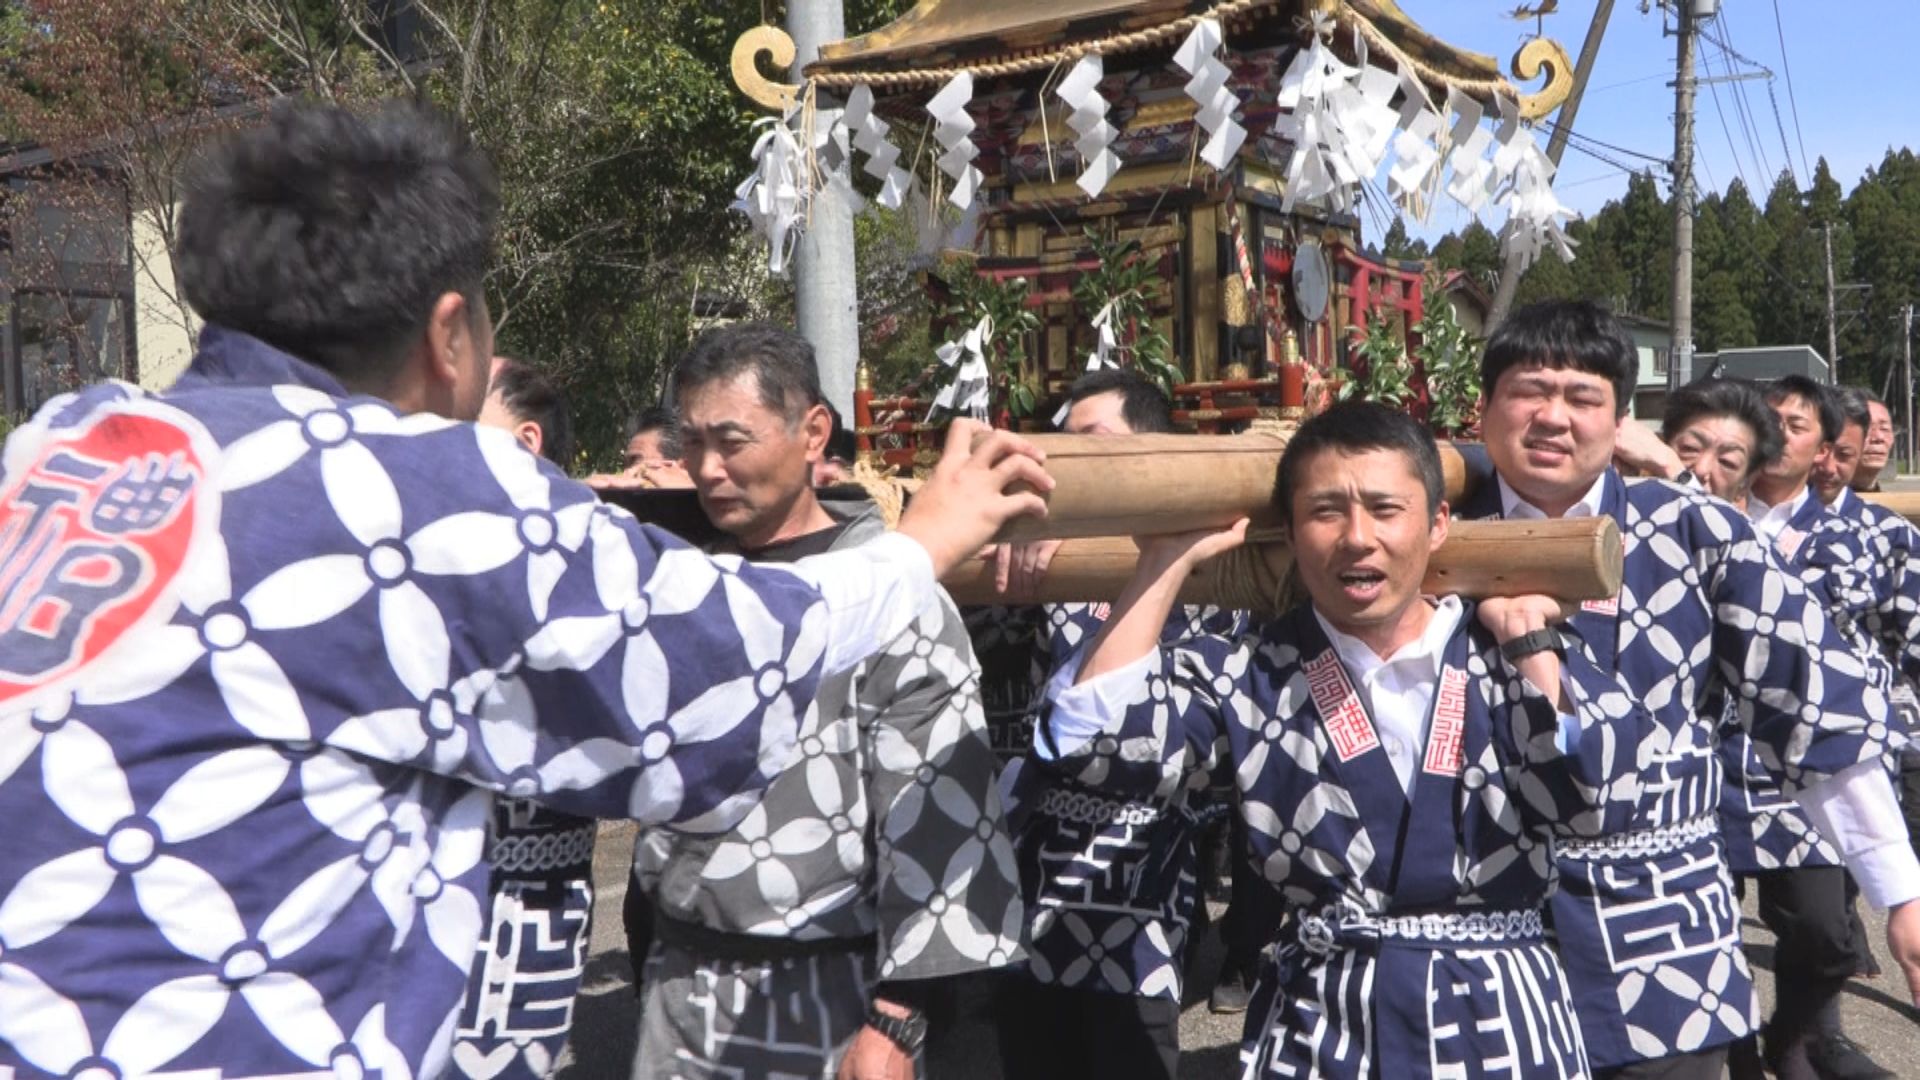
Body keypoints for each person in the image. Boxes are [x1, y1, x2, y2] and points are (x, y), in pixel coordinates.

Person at [0, 100, 1053, 1079]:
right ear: (449, 333)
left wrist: (900, 1010)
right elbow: (722, 664)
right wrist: (922, 544)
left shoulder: (69, 445)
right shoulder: (413, 487)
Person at [1041, 400, 1655, 1076]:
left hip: (1498, 1019)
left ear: (1438, 523)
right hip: (1326, 1022)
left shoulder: (1508, 647)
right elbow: (1092, 743)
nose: (1358, 538)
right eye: (1326, 511)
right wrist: (1162, 563)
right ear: (1290, 531)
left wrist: (1530, 646)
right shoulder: (1250, 672)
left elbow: (1599, 805)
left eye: (1386, 509)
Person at [1458, 300, 1920, 1080]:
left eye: (1582, 397)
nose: (1553, 417)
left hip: (1663, 932)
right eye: (1528, 391)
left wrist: (1900, 891)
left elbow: (1810, 703)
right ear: (1484, 408)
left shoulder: (1693, 528)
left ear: (1620, 420)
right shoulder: (1424, 532)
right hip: (1480, 934)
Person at [627, 322, 1023, 1080]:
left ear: (812, 432)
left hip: (828, 995)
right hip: (678, 987)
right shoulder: (684, 580)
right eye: (692, 442)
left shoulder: (895, 596)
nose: (706, 468)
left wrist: (897, 1019)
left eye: (732, 441)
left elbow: (938, 814)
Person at [987, 368, 1250, 1080]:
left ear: (1154, 452)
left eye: (1095, 443)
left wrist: (1158, 566)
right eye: (1064, 447)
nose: (1073, 464)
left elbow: (1166, 747)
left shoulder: (1215, 572)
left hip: (1139, 888)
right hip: (1026, 887)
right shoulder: (1043, 552)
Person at [1678, 379, 1893, 1080]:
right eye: (1766, 419)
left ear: (1826, 449)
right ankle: (1736, 1053)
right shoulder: (1684, 516)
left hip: (1802, 771)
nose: (1775, 432)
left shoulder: (1866, 534)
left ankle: (1798, 1034)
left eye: (1795, 424)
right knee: (1707, 934)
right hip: (1705, 770)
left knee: (1826, 933)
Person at [459, 356, 598, 1080]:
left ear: (526, 441)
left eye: (459, 412)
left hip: (522, 904)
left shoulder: (586, 553)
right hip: (420, 900)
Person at [1852, 391, 1896, 493]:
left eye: (1884, 428)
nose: (1878, 437)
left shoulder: (1895, 502)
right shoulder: (1819, 500)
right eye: (1866, 428)